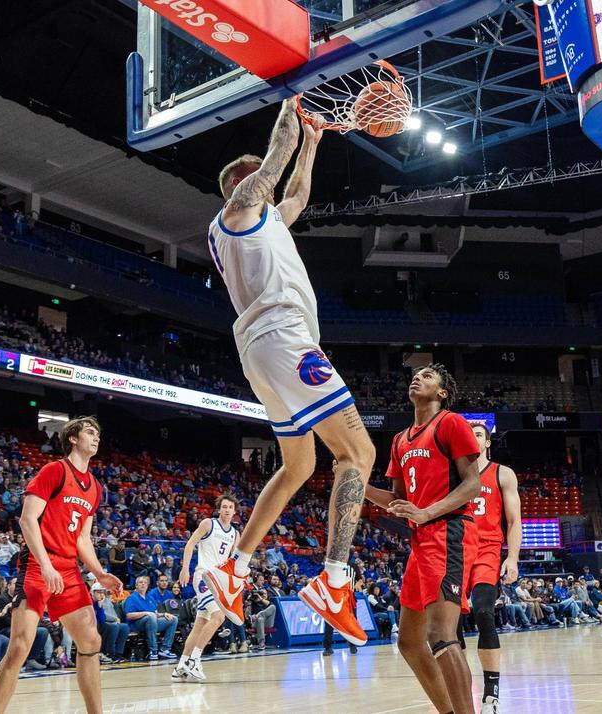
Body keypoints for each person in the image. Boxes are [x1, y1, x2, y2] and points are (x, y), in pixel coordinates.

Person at [202, 98, 375, 648]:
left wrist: (315, 143)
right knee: (359, 454)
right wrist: (292, 101)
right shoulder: (236, 211)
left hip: (261, 350)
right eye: (260, 179)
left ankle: (234, 568)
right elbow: (276, 159)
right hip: (283, 338)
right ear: (243, 184)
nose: (270, 185)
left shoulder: (268, 217)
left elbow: (296, 191)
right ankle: (334, 579)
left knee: (299, 464)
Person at [365, 364, 483, 714]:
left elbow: (472, 483)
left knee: (441, 635)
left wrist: (428, 512)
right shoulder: (400, 439)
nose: (417, 377)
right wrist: (358, 486)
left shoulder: (450, 422)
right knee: (409, 642)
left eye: (428, 376)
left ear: (442, 392)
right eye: (415, 375)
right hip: (422, 539)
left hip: (450, 530)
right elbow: (398, 500)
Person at [0, 416, 122, 714]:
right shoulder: (55, 470)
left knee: (90, 640)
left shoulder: (95, 488)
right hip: (38, 566)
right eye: (89, 431)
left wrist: (100, 573)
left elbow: (83, 539)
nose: (96, 437)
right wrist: (46, 564)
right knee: (20, 647)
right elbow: (27, 519)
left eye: (98, 433)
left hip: (68, 570)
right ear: (72, 438)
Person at [460, 421, 522, 714]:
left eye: (478, 434)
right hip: (455, 551)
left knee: (484, 611)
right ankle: (457, 690)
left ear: (487, 442)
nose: (472, 438)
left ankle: (491, 695)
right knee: (449, 623)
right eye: (468, 434)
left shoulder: (502, 473)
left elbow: (513, 521)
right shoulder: (454, 473)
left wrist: (512, 558)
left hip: (487, 550)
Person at [173, 494, 239, 682]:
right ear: (219, 509)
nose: (227, 510)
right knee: (219, 616)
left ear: (234, 511)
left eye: (230, 507)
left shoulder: (235, 533)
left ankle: (181, 666)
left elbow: (233, 561)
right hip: (204, 576)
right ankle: (194, 660)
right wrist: (185, 568)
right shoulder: (208, 524)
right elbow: (190, 544)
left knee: (201, 623)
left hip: (219, 580)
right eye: (224, 506)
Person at [124, 575, 178, 661]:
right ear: (136, 585)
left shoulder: (150, 597)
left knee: (173, 619)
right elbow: (129, 615)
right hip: (136, 624)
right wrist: (145, 613)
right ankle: (153, 650)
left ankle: (164, 649)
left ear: (147, 585)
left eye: (145, 583)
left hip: (152, 622)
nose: (143, 584)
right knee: (151, 617)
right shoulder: (131, 598)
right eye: (140, 582)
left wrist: (164, 614)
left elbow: (155, 613)